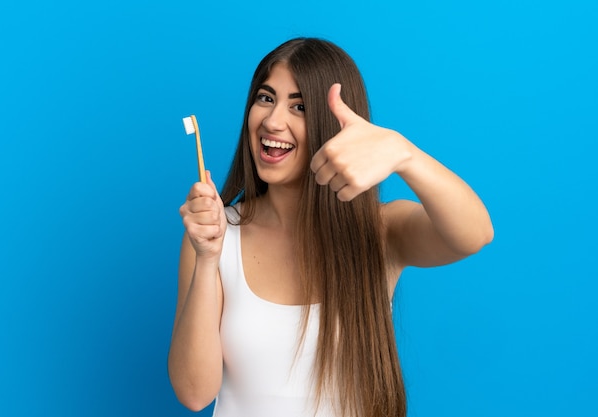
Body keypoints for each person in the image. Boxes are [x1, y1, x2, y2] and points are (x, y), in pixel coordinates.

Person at [168, 37, 494, 417]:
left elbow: (475, 234)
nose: (273, 121)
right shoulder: (213, 236)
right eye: (266, 98)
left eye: (300, 106)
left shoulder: (381, 231)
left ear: (333, 124)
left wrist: (404, 153)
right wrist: (208, 259)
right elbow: (194, 393)